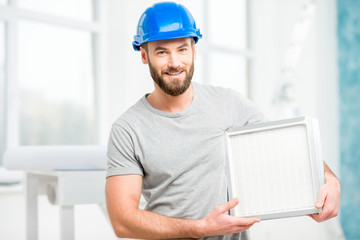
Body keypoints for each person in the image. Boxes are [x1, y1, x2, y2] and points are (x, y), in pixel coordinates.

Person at [105, 2, 341, 239]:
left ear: (194, 51)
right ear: (144, 56)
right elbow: (123, 221)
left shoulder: (229, 103)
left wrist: (328, 178)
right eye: (161, 52)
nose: (174, 62)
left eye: (182, 49)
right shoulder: (127, 129)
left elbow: (284, 145)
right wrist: (199, 228)